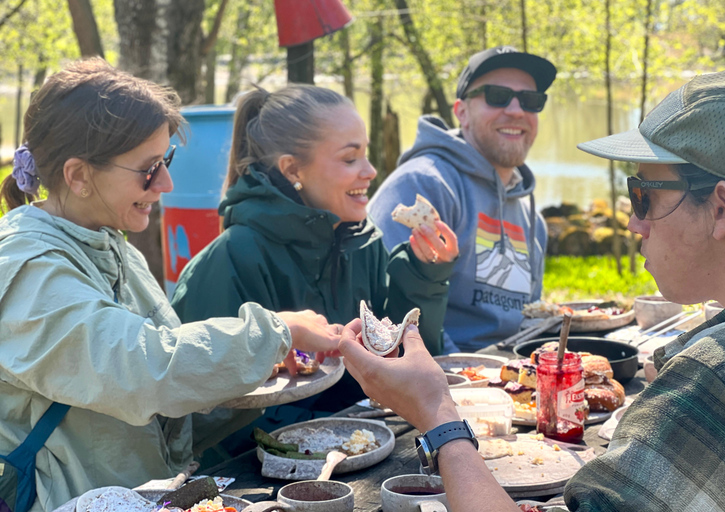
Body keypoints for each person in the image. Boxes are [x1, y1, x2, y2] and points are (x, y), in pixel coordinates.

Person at [342, 66, 725, 512]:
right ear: (460, 110)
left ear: (721, 208)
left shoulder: (720, 377)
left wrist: (437, 415)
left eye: (643, 196)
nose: (632, 222)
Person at [0, 58, 340, 512]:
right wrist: (274, 332)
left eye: (167, 160)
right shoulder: (26, 269)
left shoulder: (117, 249)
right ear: (78, 175)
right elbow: (144, 371)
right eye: (147, 168)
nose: (166, 182)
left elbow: (163, 411)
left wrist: (261, 372)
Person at [170, 85, 458, 414]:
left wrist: (423, 276)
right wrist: (335, 436)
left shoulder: (366, 242)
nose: (371, 171)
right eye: (350, 159)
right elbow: (210, 411)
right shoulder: (227, 263)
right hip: (257, 462)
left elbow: (407, 363)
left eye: (366, 153)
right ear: (293, 169)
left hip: (373, 446)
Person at [368, 46, 556, 353]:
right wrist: (469, 377)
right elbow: (385, 310)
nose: (516, 110)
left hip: (513, 374)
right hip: (441, 376)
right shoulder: (422, 186)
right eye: (497, 96)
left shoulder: (533, 219)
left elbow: (529, 321)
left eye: (531, 101)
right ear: (461, 112)